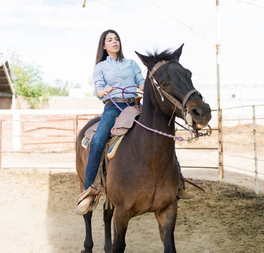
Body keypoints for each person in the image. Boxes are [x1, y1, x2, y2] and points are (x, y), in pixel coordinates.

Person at [76, 29, 193, 215]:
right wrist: (103, 90)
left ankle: (177, 183)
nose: (115, 42)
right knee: (98, 141)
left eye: (116, 39)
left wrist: (142, 85)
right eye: (110, 40)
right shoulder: (100, 67)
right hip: (114, 108)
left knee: (160, 135)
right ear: (104, 46)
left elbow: (141, 81)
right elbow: (98, 89)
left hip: (134, 106)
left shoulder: (131, 64)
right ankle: (89, 191)